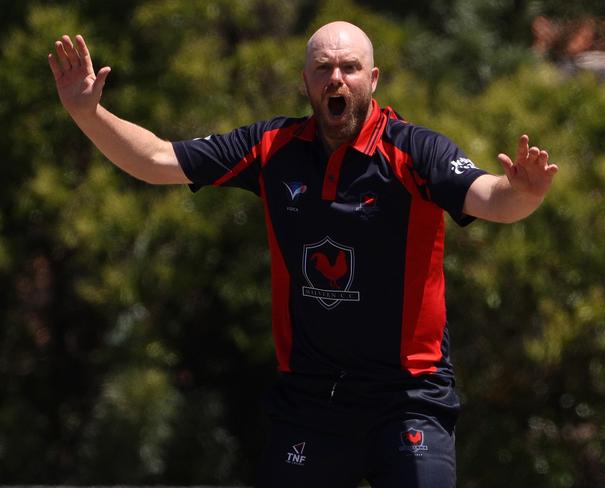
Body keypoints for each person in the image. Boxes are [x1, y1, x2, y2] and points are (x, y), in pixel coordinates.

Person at [49, 21, 558, 488]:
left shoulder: (414, 150)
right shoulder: (272, 147)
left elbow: (489, 197)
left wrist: (525, 194)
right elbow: (159, 160)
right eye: (323, 69)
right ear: (306, 81)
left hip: (408, 396)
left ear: (373, 79)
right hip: (314, 398)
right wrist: (88, 114)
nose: (337, 78)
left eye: (350, 68)